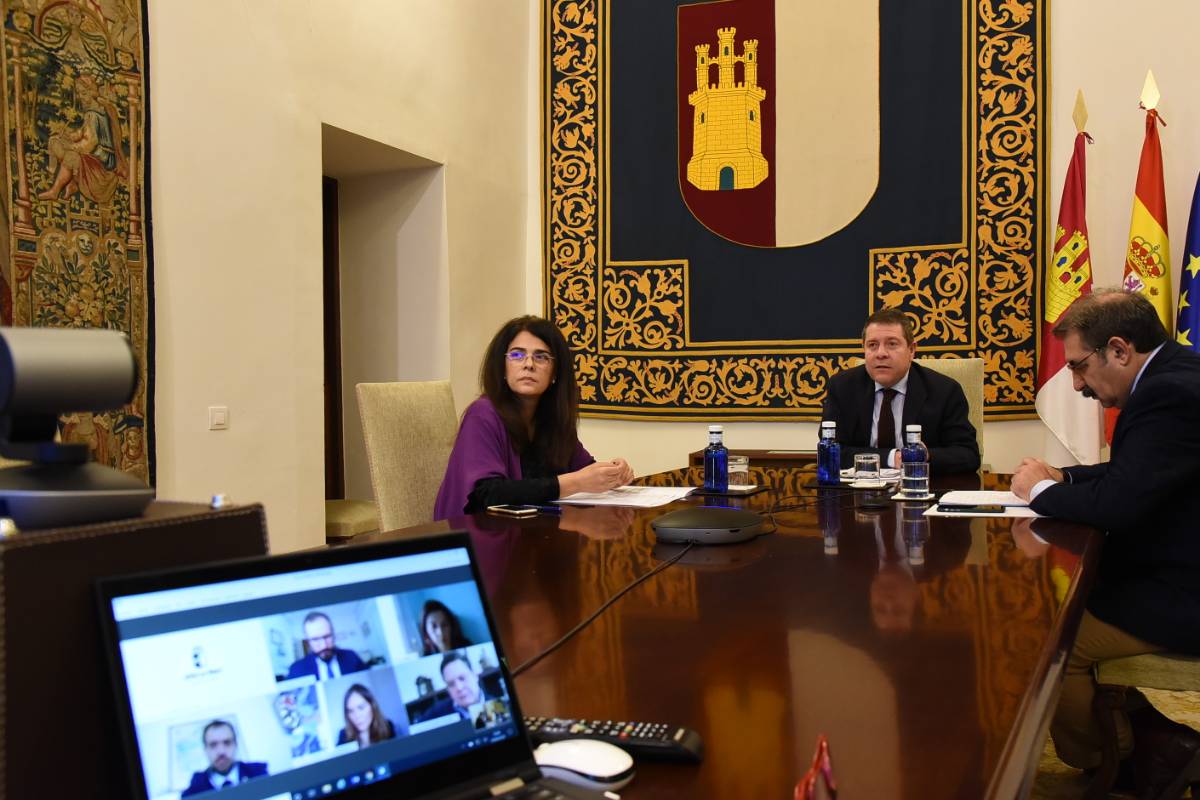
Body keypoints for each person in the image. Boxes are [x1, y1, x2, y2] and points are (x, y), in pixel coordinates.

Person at [1011, 289, 1200, 795]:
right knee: (1071, 606)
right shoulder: (1177, 372)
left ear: (1118, 349)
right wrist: (1065, 479)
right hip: (1176, 569)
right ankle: (1161, 743)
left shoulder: (1168, 395)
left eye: (1079, 366)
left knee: (1052, 647)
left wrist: (1041, 491)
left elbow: (1120, 504)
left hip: (1186, 592)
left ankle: (1117, 765)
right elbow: (1134, 474)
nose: (1074, 383)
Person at [433, 315, 633, 519]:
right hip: (477, 539)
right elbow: (488, 494)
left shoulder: (552, 416)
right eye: (517, 355)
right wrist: (577, 482)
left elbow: (583, 469)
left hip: (534, 536)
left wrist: (613, 472)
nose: (528, 364)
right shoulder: (482, 414)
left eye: (541, 357)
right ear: (503, 366)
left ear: (555, 372)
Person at [821, 308, 980, 474]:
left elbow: (968, 455)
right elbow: (832, 451)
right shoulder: (842, 387)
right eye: (872, 345)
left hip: (921, 489)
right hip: (859, 492)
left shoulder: (944, 390)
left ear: (911, 350)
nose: (881, 353)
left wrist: (925, 455)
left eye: (892, 344)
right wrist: (894, 458)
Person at [180, 720, 268, 796]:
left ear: (236, 745)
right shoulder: (194, 791)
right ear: (205, 750)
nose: (221, 751)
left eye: (227, 743)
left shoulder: (259, 774)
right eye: (213, 745)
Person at [285, 611, 367, 680]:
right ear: (308, 641)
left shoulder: (351, 656)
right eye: (315, 639)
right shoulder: (296, 669)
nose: (324, 646)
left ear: (333, 634)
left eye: (327, 636)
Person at [417, 651, 493, 722]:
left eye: (462, 678)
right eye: (451, 684)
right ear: (447, 689)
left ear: (475, 676)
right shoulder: (436, 714)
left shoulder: (496, 705)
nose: (459, 688)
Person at [336, 684, 396, 748]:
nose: (357, 716)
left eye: (361, 708)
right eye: (350, 711)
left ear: (372, 706)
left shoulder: (388, 727)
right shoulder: (344, 736)